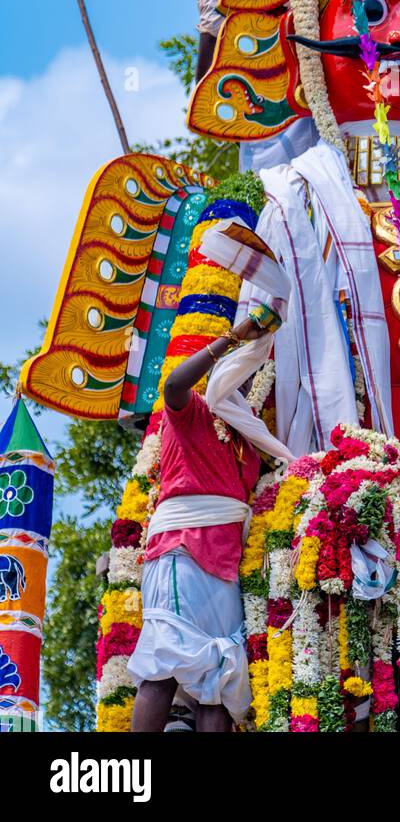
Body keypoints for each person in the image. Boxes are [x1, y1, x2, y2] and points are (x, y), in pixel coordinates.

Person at [129, 311, 271, 733]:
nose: (241, 384)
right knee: (166, 663)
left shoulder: (251, 440)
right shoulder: (191, 411)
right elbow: (172, 384)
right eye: (234, 372)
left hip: (225, 563)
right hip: (181, 550)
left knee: (220, 675)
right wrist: (233, 337)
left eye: (248, 379)